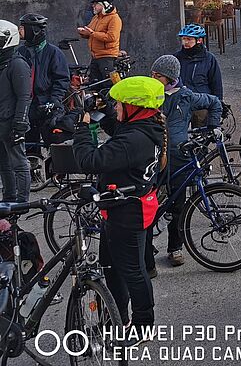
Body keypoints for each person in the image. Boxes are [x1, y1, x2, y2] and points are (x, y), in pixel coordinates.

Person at [72, 76, 165, 336]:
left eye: (121, 104)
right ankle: (117, 317)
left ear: (135, 108)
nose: (118, 108)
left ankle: (143, 327)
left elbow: (90, 160)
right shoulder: (146, 126)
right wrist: (104, 110)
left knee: (133, 272)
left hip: (128, 213)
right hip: (119, 209)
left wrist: (82, 129)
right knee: (112, 268)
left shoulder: (136, 140)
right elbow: (120, 130)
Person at [147, 55, 222, 271]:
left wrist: (213, 126)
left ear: (169, 78)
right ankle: (147, 247)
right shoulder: (150, 94)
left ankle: (175, 248)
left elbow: (214, 102)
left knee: (178, 206)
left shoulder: (186, 96)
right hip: (154, 158)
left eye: (157, 75)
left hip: (178, 159)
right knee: (149, 204)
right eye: (152, 74)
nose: (152, 77)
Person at [17, 14, 70, 149]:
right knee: (28, 146)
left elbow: (62, 79)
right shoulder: (20, 52)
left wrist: (54, 101)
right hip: (26, 106)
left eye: (22, 28)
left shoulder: (54, 53)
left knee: (54, 145)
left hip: (47, 105)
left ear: (33, 30)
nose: (19, 31)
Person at [0, 21, 32, 203]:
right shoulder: (4, 64)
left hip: (12, 121)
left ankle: (22, 200)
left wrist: (20, 123)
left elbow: (24, 96)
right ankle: (9, 196)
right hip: (2, 120)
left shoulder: (17, 64)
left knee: (19, 162)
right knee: (4, 164)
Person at [174, 24, 223, 129]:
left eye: (189, 39)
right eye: (183, 39)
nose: (185, 42)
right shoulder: (176, 58)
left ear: (199, 40)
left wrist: (218, 106)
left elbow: (216, 84)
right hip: (181, 103)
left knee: (201, 138)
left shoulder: (209, 59)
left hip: (202, 103)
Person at [77, 0, 123, 84]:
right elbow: (90, 31)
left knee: (109, 84)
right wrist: (83, 32)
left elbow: (111, 37)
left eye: (96, 4)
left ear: (105, 5)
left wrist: (92, 33)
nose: (93, 6)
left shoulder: (114, 18)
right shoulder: (96, 18)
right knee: (94, 83)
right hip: (95, 56)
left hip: (107, 57)